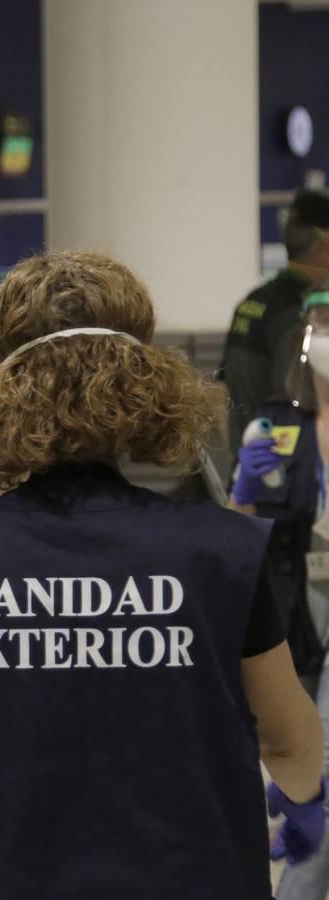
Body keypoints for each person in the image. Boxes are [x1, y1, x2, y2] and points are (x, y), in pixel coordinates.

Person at [0, 250, 326, 898]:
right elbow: (291, 742)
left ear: (3, 389)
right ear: (143, 377)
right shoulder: (222, 552)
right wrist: (304, 803)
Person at [231, 290, 329, 899]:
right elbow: (238, 538)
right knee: (304, 757)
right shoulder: (276, 424)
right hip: (297, 607)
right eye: (322, 319)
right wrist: (243, 490)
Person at [222, 188, 329, 458]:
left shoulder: (253, 301)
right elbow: (297, 404)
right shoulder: (299, 317)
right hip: (282, 475)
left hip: (250, 464)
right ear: (323, 244)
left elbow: (220, 395)